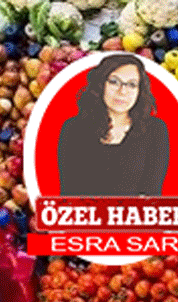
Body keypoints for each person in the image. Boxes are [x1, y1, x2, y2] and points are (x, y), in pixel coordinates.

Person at [57, 53, 169, 196]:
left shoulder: (155, 130)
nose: (122, 91)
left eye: (132, 84)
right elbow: (69, 194)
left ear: (140, 91)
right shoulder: (73, 129)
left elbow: (152, 196)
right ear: (101, 84)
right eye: (114, 82)